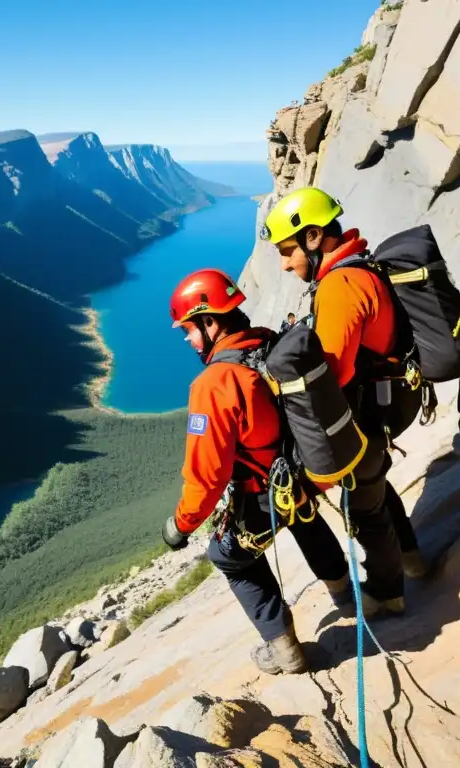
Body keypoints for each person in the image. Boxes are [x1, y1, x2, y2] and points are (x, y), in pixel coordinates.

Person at [160, 268, 354, 675]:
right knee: (306, 519)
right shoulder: (267, 342)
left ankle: (284, 649)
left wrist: (180, 526)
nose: (186, 339)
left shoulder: (214, 384)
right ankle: (347, 597)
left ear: (210, 321)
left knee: (230, 557)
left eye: (189, 329)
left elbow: (207, 474)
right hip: (300, 475)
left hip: (262, 493)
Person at [259, 186, 430, 618]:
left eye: (288, 251)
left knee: (364, 504)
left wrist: (276, 389)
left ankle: (389, 592)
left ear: (314, 237)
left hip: (368, 413)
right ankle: (412, 557)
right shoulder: (358, 268)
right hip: (388, 399)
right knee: (375, 487)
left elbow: (331, 375)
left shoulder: (341, 285)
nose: (284, 264)